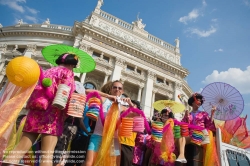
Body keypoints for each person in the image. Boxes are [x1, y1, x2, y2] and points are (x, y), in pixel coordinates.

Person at [4, 53, 78, 166]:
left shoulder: (48, 71)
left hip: (36, 110)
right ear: (72, 64)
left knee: (20, 148)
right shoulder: (67, 73)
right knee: (47, 154)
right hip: (53, 114)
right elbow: (65, 95)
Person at [83, 80, 134, 166]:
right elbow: (87, 91)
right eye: (115, 87)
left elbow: (138, 115)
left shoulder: (122, 107)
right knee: (89, 163)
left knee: (114, 164)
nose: (117, 89)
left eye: (120, 88)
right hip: (97, 136)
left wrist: (130, 104)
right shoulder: (104, 100)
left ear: (122, 91)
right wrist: (108, 96)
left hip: (114, 141)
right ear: (111, 89)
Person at [176, 93, 216, 163]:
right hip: (191, 135)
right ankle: (182, 156)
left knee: (183, 138)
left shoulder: (204, 114)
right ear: (193, 102)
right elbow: (183, 127)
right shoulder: (189, 114)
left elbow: (210, 126)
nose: (199, 102)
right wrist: (186, 117)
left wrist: (212, 114)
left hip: (200, 135)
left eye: (200, 101)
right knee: (179, 138)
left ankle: (182, 157)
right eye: (198, 100)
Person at [119, 100, 141, 166]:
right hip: (117, 143)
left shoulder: (138, 116)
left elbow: (138, 114)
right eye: (129, 105)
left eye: (133, 105)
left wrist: (131, 104)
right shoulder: (124, 112)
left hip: (128, 145)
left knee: (125, 163)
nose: (130, 106)